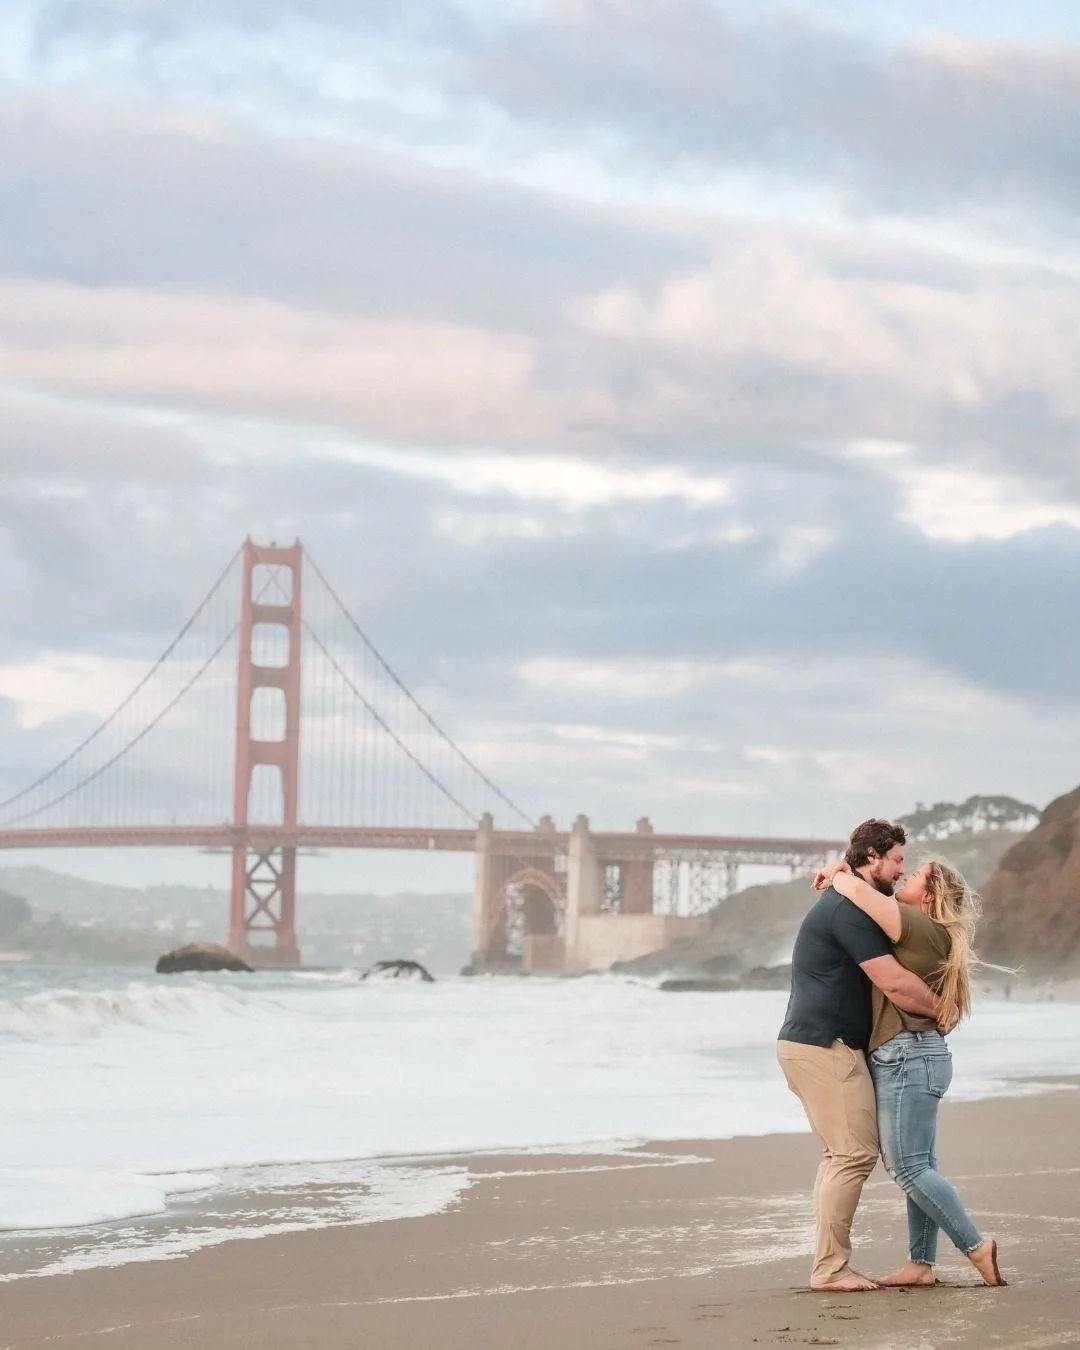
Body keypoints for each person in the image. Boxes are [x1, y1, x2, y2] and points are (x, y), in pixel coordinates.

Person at [817, 854, 1006, 1287]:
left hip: (906, 1056)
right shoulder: (933, 931)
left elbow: (857, 889)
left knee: (908, 1168)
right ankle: (920, 1264)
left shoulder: (914, 922)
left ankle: (976, 1246)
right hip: (921, 1055)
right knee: (922, 1163)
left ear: (930, 895)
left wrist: (836, 871)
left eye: (916, 874)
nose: (905, 875)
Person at [777, 818, 946, 1292]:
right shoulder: (847, 911)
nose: (900, 870)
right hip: (824, 1044)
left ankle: (829, 1264)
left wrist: (839, 870)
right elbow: (894, 982)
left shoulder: (851, 898)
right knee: (852, 1154)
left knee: (842, 1155)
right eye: (896, 861)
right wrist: (944, 1009)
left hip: (815, 1043)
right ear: (872, 856)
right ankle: (830, 1269)